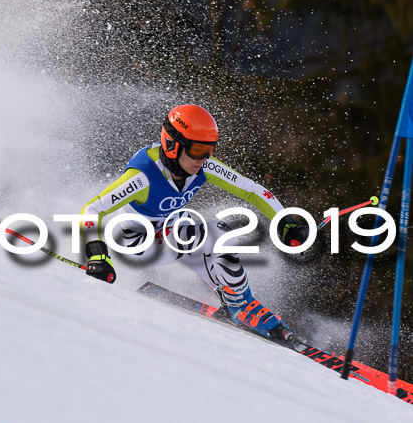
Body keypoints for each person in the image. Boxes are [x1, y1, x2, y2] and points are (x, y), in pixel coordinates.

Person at [79, 104, 308, 341]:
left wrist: (285, 220)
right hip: (136, 242)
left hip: (168, 230)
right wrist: (97, 254)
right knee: (196, 233)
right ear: (172, 144)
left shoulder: (202, 166)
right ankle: (240, 307)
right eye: (198, 149)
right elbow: (92, 209)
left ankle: (236, 301)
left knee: (215, 232)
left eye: (209, 150)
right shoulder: (143, 176)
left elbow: (250, 190)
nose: (204, 159)